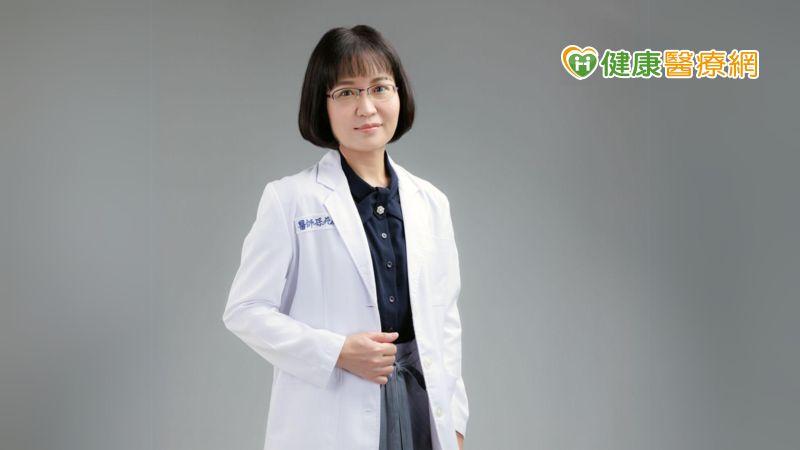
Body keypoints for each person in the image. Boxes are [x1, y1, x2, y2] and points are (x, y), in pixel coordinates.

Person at [223, 25, 468, 450]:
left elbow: (446, 323)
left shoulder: (431, 202)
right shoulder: (290, 200)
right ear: (323, 105)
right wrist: (336, 351)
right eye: (347, 92)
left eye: (379, 88)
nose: (366, 107)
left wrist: (456, 424)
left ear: (399, 94)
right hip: (332, 414)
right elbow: (245, 310)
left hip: (421, 407)